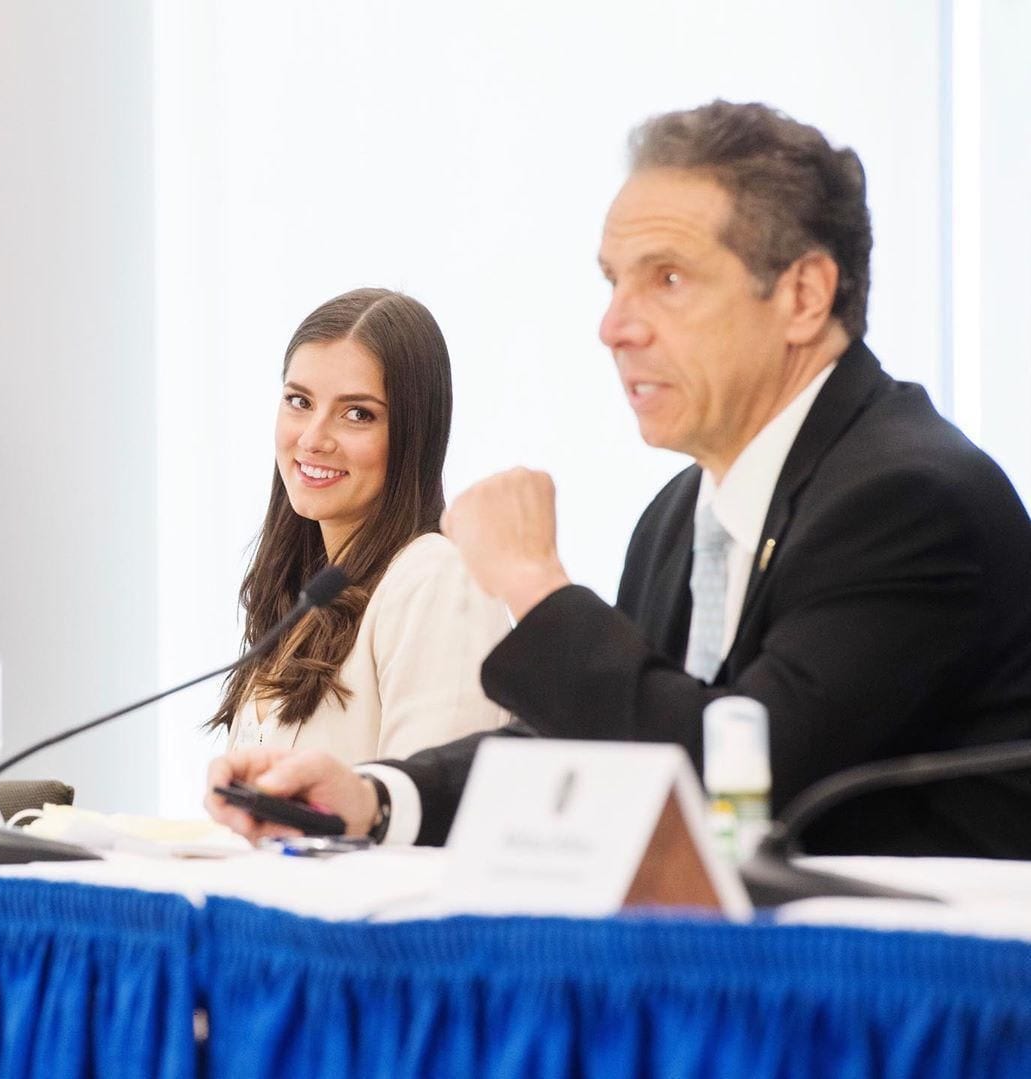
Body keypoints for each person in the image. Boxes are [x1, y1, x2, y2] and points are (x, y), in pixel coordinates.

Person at [206, 103, 1031, 858]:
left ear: (803, 295)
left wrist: (535, 584)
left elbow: (735, 780)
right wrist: (376, 799)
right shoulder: (678, 516)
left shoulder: (907, 498)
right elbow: (589, 754)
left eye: (666, 279)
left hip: (921, 999)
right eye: (612, 281)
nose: (613, 327)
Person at [206, 287, 510, 763]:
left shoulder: (437, 579)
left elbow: (428, 814)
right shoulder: (304, 598)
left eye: (357, 414)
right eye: (299, 401)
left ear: (413, 435)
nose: (312, 438)